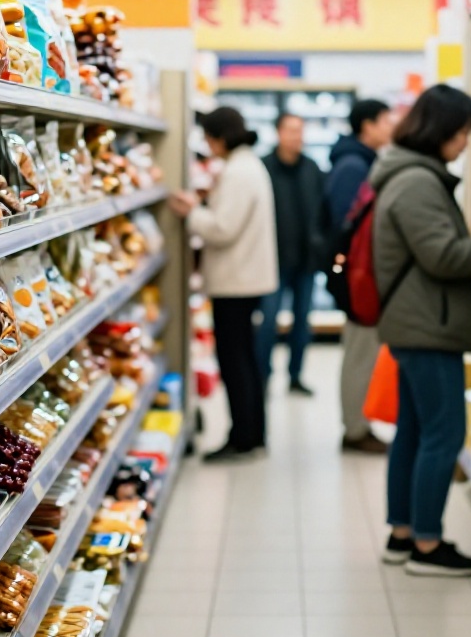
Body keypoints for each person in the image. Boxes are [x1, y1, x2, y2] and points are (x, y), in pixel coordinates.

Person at [371, 84, 471, 575]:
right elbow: (443, 256)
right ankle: (427, 545)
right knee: (442, 435)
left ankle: (403, 533)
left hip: (417, 320)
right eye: (462, 133)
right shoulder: (417, 182)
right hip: (428, 326)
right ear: (441, 130)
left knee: (415, 431)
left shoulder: (406, 174)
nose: (465, 143)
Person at [168, 107, 278, 462]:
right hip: (246, 279)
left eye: (210, 138)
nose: (208, 145)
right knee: (245, 358)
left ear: (221, 137)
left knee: (235, 362)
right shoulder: (248, 167)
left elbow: (222, 229)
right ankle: (253, 433)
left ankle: (242, 437)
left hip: (236, 281)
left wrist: (191, 212)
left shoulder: (238, 172)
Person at [324, 99, 397, 454]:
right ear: (366, 126)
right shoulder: (355, 166)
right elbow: (349, 228)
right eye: (385, 120)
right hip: (359, 277)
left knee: (360, 350)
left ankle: (357, 424)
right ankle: (354, 428)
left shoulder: (360, 161)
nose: (391, 125)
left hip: (359, 275)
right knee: (359, 353)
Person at [257, 112, 326, 396]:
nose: (297, 137)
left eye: (300, 131)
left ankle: (295, 376)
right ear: (278, 133)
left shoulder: (312, 169)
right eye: (291, 131)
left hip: (306, 261)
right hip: (272, 261)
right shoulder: (263, 168)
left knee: (302, 322)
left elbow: (323, 212)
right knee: (268, 321)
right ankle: (262, 375)